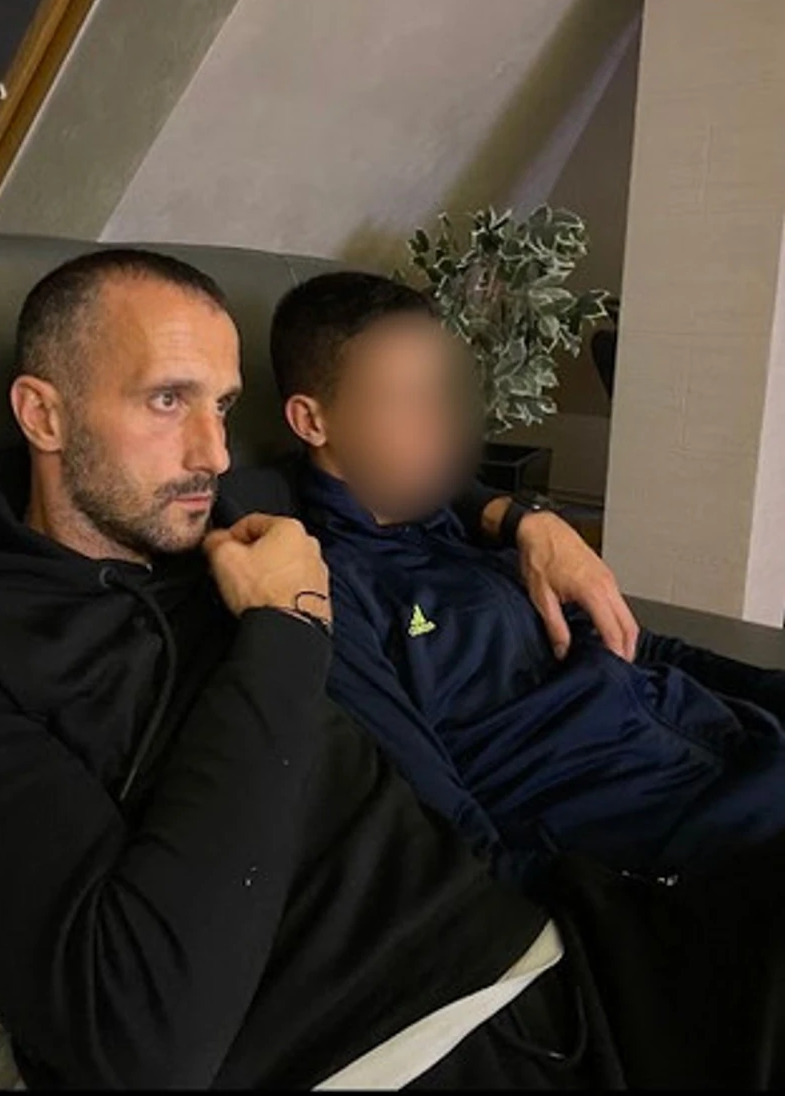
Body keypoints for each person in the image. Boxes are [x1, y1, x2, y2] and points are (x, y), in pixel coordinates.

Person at [0, 248, 784, 1091]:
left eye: (222, 406)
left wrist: (524, 520)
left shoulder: (217, 509)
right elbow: (141, 1036)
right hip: (400, 1048)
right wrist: (287, 630)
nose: (213, 452)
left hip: (572, 957)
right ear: (42, 413)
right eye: (167, 400)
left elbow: (390, 473)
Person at [270, 270, 785, 889]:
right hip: (677, 838)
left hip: (736, 752)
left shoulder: (470, 527)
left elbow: (635, 644)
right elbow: (446, 821)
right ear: (312, 421)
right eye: (403, 398)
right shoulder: (335, 586)